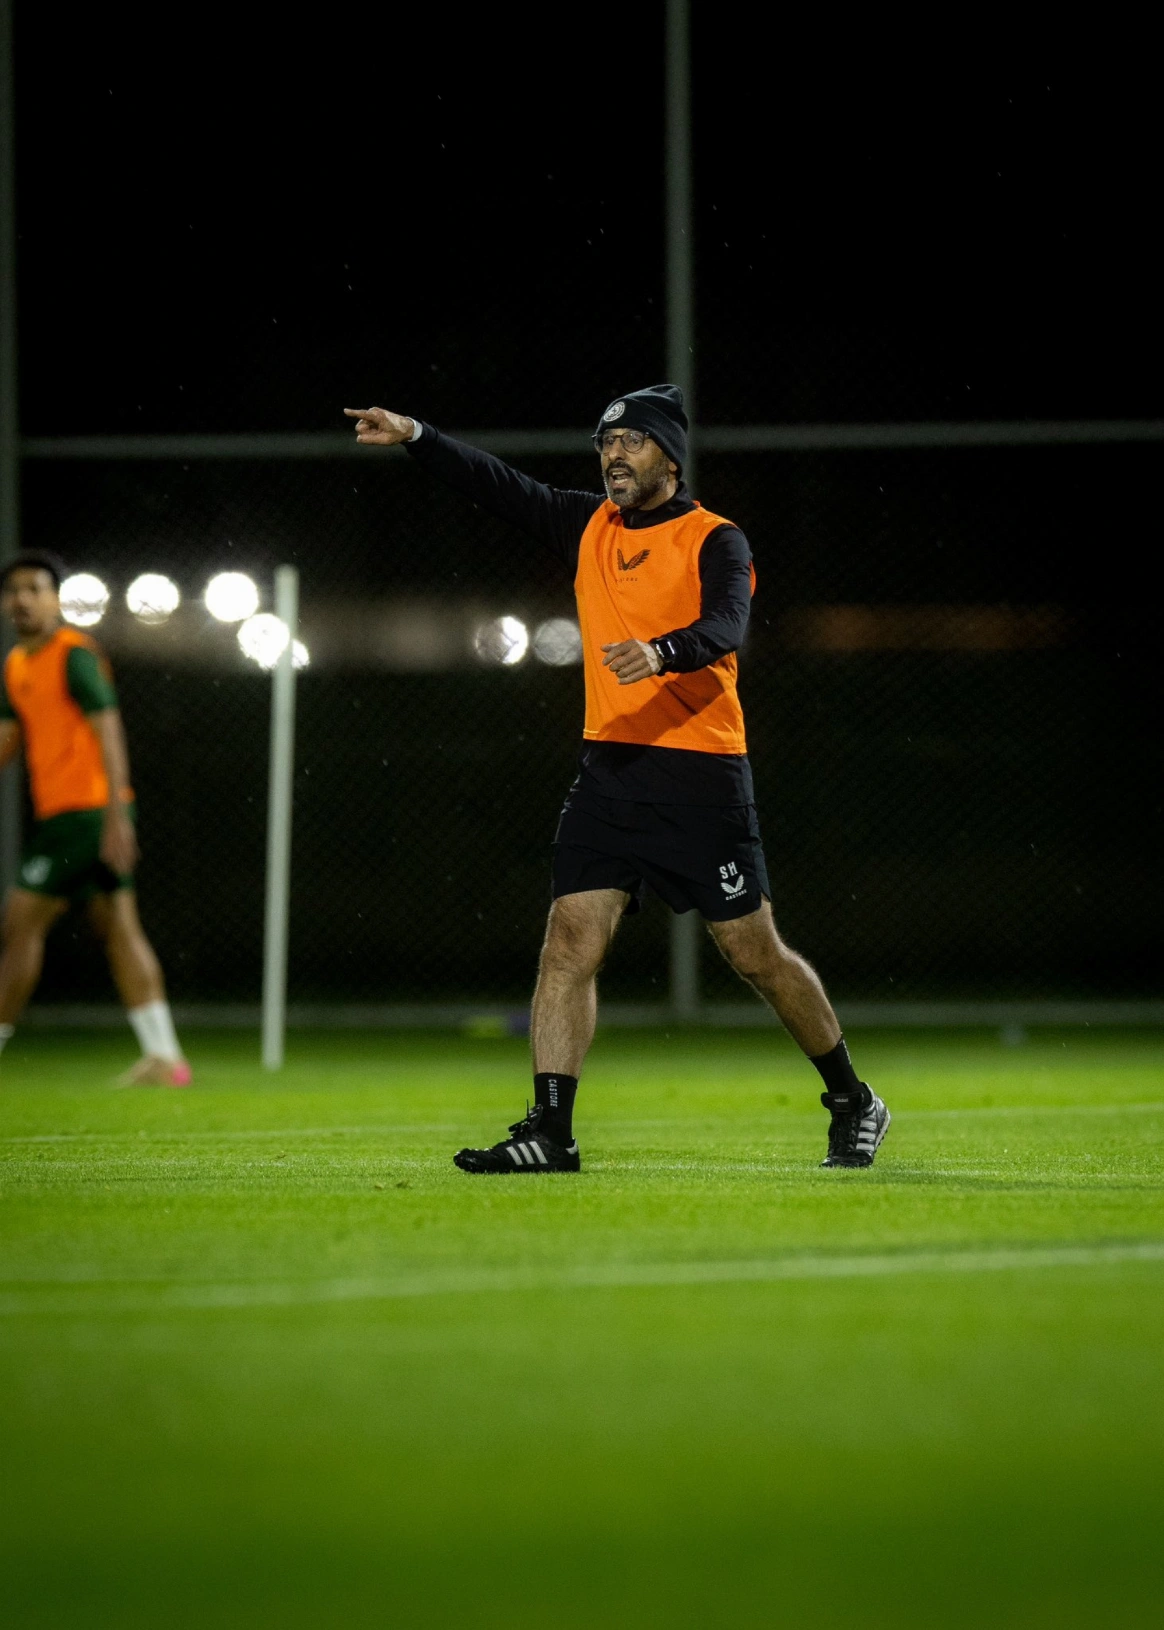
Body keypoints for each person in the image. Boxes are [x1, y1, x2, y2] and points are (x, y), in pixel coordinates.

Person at [345, 386, 888, 1172]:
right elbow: (498, 485)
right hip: (608, 771)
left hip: (700, 773)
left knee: (754, 954)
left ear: (671, 457)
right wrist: (418, 435)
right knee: (569, 943)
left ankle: (852, 1098)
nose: (613, 456)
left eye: (631, 441)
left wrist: (662, 652)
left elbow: (727, 625)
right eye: (606, 443)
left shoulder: (715, 538)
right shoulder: (588, 524)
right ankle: (550, 1132)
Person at [0, 552, 190, 1086]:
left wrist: (115, 815)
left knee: (20, 923)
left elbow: (109, 728)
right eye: (13, 590)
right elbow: (8, 736)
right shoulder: (16, 665)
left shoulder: (73, 654)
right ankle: (164, 1057)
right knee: (120, 927)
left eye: (35, 589)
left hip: (84, 815)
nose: (22, 599)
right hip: (72, 814)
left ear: (56, 600)